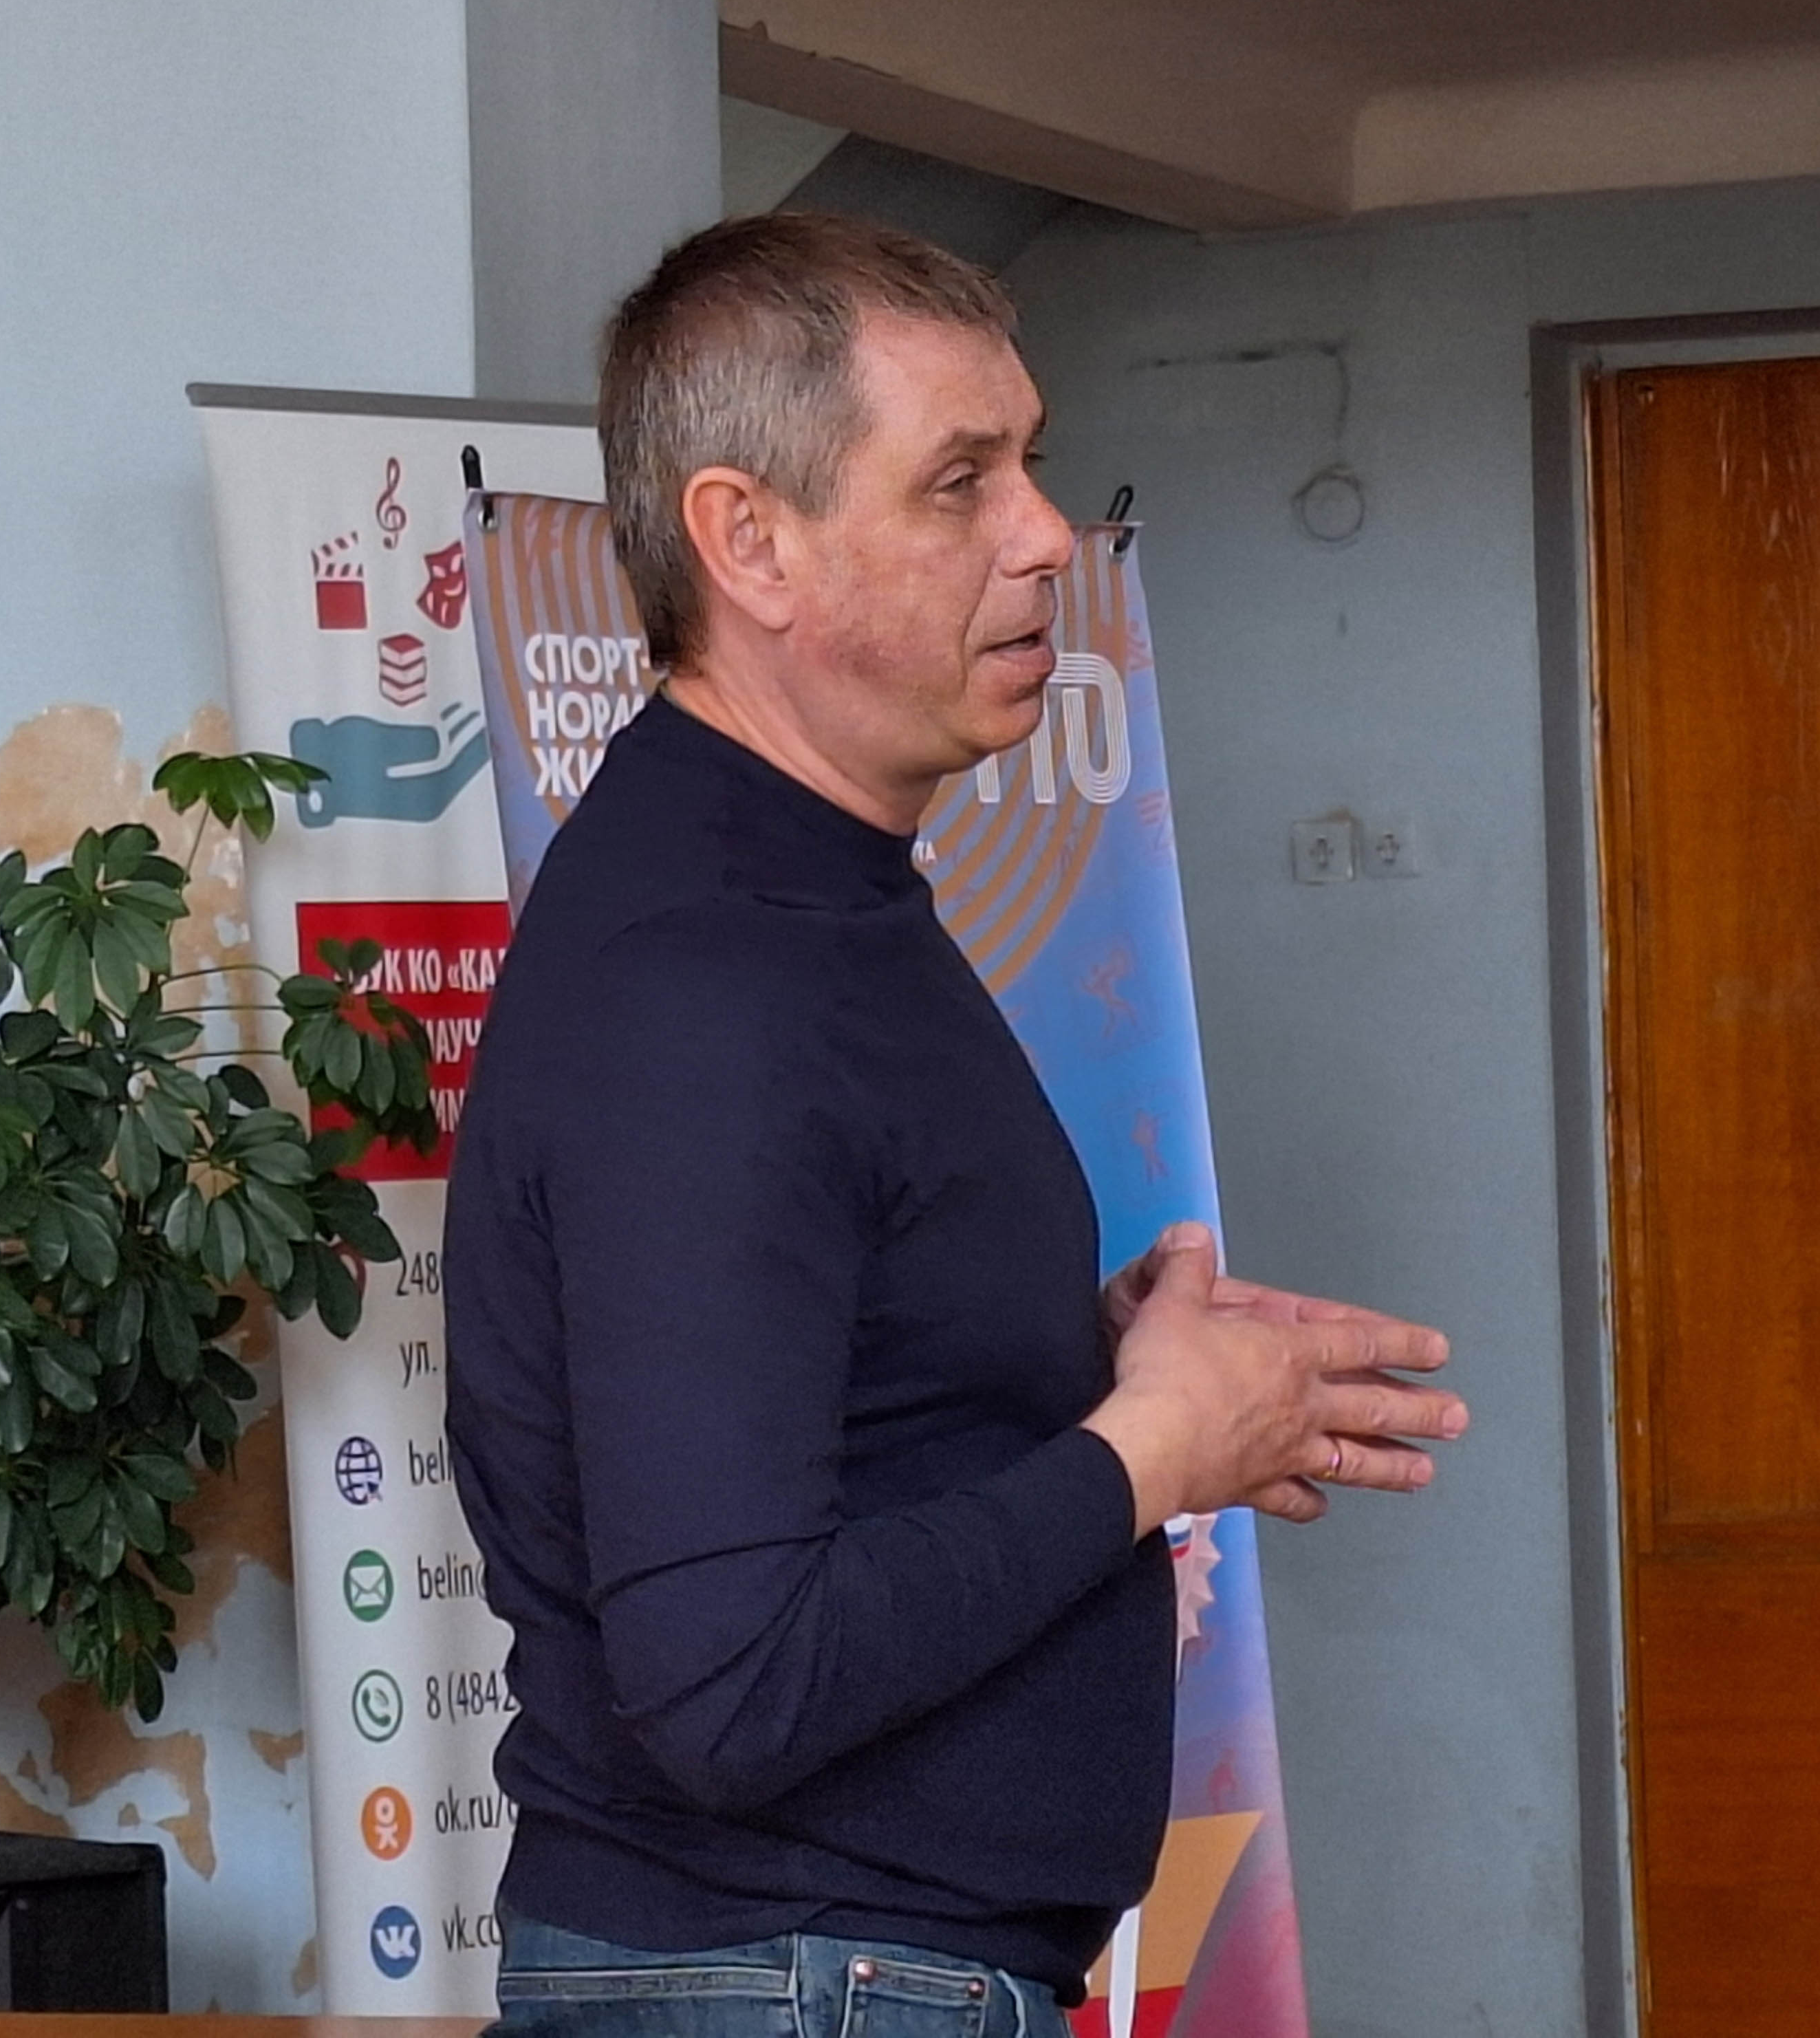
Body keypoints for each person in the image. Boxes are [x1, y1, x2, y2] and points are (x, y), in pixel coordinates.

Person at [442, 213, 1464, 2038]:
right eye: (959, 482)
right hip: (788, 1984)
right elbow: (731, 1681)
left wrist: (1080, 1366)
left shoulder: (813, 898)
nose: (1048, 535)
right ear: (750, 541)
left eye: (1033, 464)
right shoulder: (708, 977)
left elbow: (828, 1400)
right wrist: (1146, 1450)